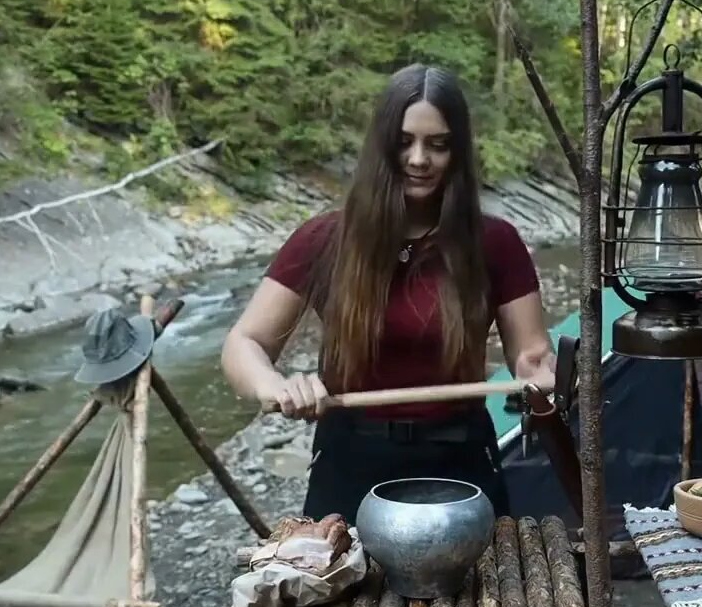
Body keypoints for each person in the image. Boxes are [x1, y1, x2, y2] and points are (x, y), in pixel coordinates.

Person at [220, 63, 556, 522]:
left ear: (457, 152)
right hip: (348, 464)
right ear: (382, 146)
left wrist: (541, 376)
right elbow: (244, 344)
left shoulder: (495, 243)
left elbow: (532, 356)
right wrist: (275, 386)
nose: (419, 159)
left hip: (461, 465)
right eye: (404, 142)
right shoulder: (323, 240)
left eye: (438, 145)